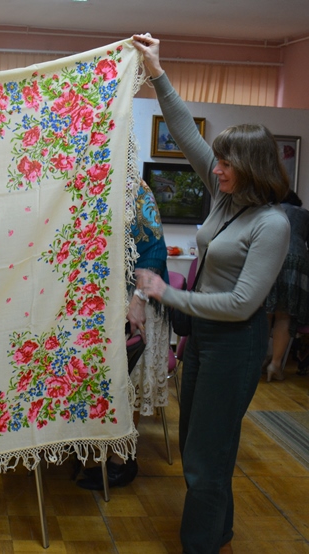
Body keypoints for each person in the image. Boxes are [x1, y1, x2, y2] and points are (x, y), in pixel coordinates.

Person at [131, 34, 290, 554]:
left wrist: (166, 291)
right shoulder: (226, 199)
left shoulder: (271, 224)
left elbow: (243, 303)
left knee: (205, 457)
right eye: (216, 161)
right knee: (205, 448)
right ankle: (220, 533)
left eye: (225, 163)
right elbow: (184, 132)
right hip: (202, 340)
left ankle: (199, 544)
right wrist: (157, 72)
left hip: (236, 345)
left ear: (251, 166)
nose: (214, 168)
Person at [78, 180, 171, 490]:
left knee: (128, 383)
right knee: (108, 384)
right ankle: (103, 454)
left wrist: (137, 302)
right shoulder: (91, 181)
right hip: (107, 302)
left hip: (137, 302)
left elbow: (154, 251)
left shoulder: (135, 188)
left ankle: (123, 461)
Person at [264, 189, 309, 381]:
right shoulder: (305, 215)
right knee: (284, 315)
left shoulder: (271, 210)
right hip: (297, 261)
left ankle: (258, 360)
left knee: (266, 312)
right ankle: (275, 364)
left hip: (272, 256)